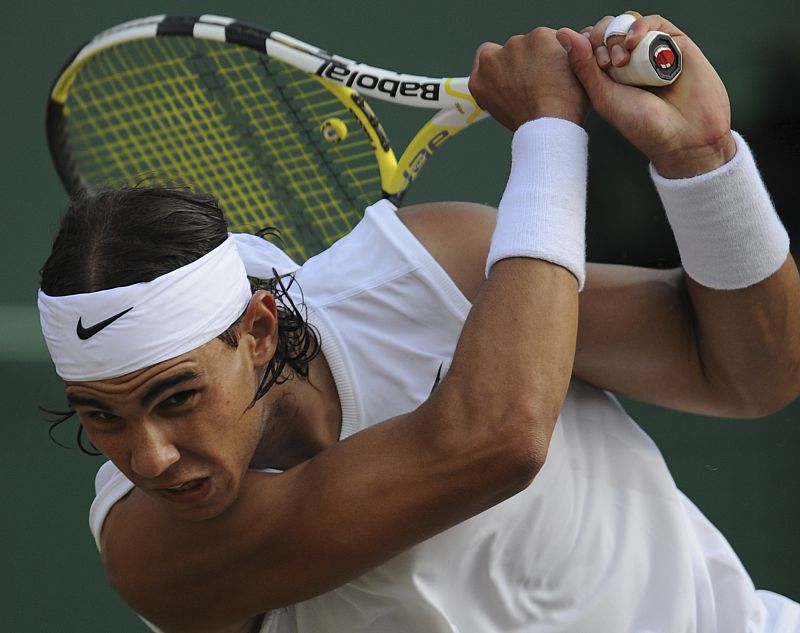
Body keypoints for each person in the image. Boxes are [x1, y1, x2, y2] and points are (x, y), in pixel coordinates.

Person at [37, 12, 800, 633]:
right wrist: (549, 133)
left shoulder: (440, 265)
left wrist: (703, 160)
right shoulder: (150, 547)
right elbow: (495, 441)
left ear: (259, 331)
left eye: (175, 398)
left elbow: (753, 373)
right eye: (101, 415)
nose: (150, 456)